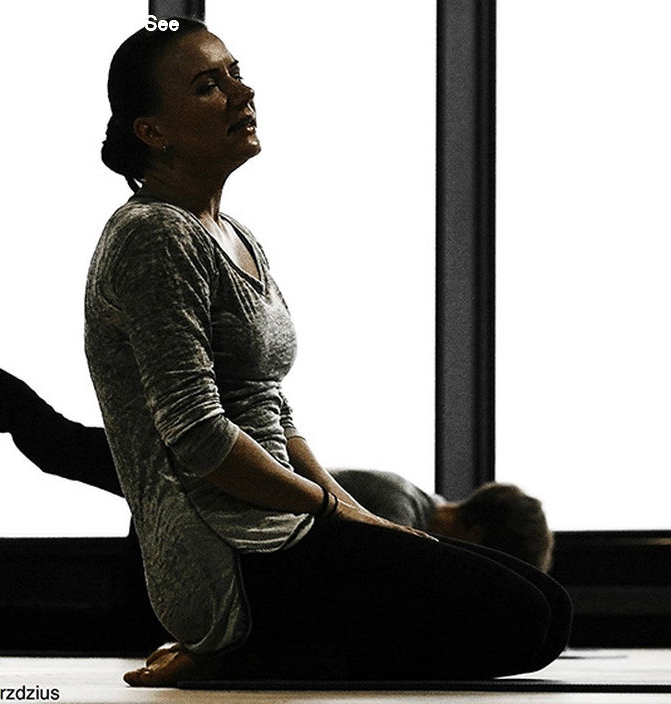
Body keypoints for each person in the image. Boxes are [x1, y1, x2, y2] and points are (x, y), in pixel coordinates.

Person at [80, 19, 572, 685]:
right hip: (229, 554)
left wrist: (358, 516)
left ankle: (275, 652)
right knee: (525, 620)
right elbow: (197, 437)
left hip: (290, 525)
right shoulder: (154, 235)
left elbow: (274, 412)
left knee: (546, 602)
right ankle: (244, 652)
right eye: (207, 86)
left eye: (233, 72)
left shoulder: (236, 236)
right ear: (153, 131)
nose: (241, 91)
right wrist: (334, 511)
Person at [0, 314, 554, 572]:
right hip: (198, 484)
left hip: (198, 478)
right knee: (48, 440)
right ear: (484, 536)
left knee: (50, 440)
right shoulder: (399, 518)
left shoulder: (402, 493)